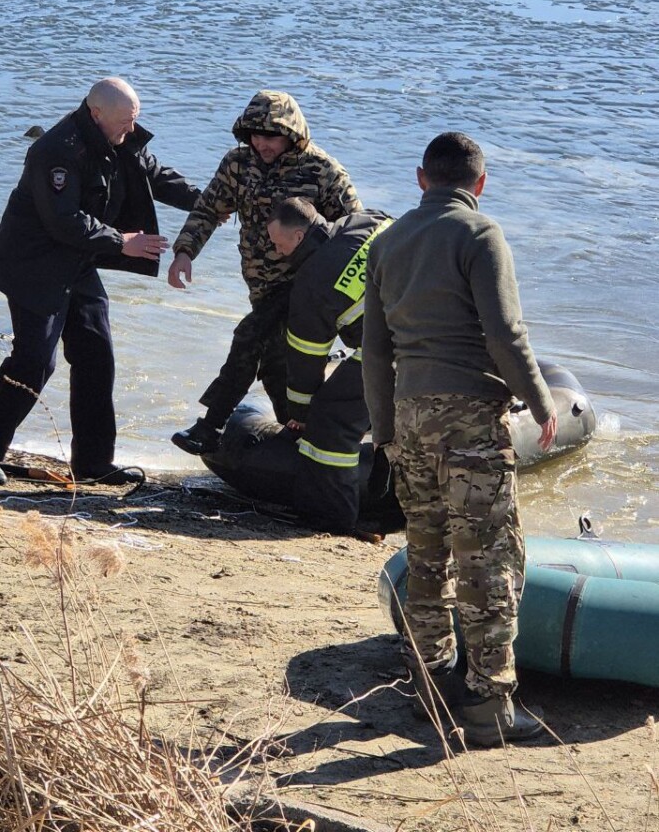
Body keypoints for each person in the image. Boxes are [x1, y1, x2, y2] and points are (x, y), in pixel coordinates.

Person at [362, 132, 557, 747]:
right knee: (489, 558)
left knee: (427, 552)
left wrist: (386, 430)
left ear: (422, 178)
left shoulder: (386, 242)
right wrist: (541, 401)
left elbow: (374, 349)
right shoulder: (480, 235)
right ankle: (489, 706)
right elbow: (505, 332)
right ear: (480, 183)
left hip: (408, 415)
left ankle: (429, 686)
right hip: (471, 417)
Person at [0, 78, 201, 487]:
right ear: (96, 114)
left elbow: (154, 174)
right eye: (125, 122)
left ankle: (92, 461)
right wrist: (122, 242)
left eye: (134, 121)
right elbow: (63, 220)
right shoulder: (55, 150)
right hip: (33, 263)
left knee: (96, 352)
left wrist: (208, 200)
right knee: (35, 360)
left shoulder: (117, 135)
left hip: (76, 261)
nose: (130, 130)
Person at [168, 90, 361, 457]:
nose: (261, 143)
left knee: (249, 337)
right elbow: (209, 210)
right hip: (260, 287)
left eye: (270, 136)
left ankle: (211, 425)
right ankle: (306, 447)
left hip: (306, 287)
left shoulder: (323, 171)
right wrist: (184, 253)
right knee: (278, 371)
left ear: (291, 133)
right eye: (254, 136)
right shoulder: (238, 164)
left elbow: (354, 233)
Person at [266, 197, 394, 532]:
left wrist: (300, 413)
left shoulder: (311, 284)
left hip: (394, 347)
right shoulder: (364, 219)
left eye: (279, 245)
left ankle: (333, 518)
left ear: (297, 238)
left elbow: (306, 359)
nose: (277, 253)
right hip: (445, 325)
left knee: (331, 422)